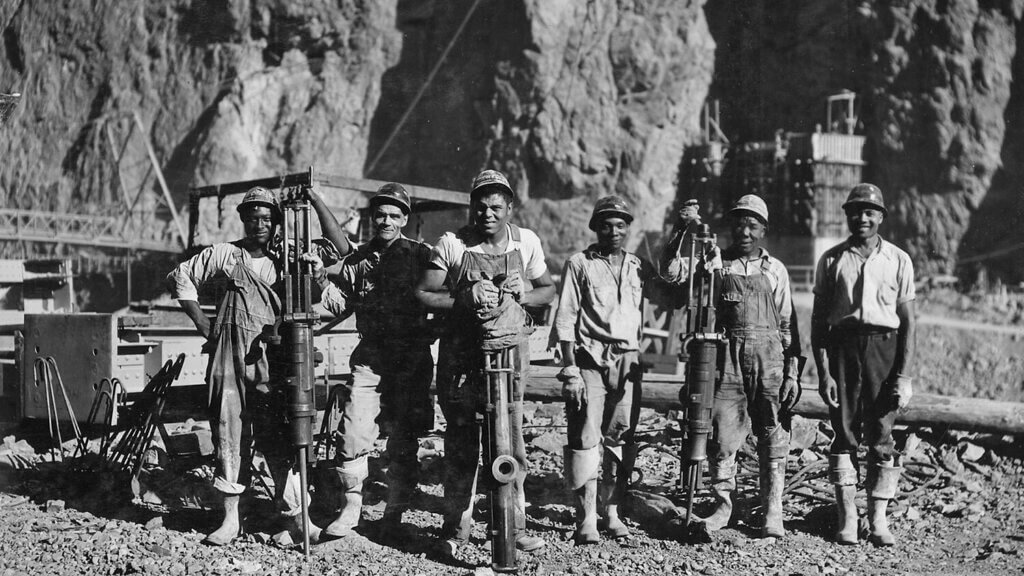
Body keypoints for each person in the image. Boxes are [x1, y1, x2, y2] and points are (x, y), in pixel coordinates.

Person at [167, 185, 347, 547]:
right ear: (243, 220)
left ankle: (299, 519)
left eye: (267, 217)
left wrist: (316, 280)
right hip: (229, 358)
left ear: (277, 221)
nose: (260, 224)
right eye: (253, 217)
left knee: (280, 434)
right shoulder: (225, 255)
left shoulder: (291, 259)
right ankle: (230, 519)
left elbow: (341, 266)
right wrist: (205, 325)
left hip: (275, 359)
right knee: (227, 430)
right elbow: (180, 278)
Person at [416, 169, 555, 556]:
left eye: (496, 206)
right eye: (481, 206)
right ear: (471, 207)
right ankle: (456, 525)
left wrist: (524, 292)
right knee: (462, 441)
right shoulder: (452, 245)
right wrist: (463, 296)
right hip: (461, 357)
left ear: (510, 207)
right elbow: (424, 293)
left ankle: (515, 524)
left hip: (510, 355)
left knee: (510, 439)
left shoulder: (525, 242)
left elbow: (548, 290)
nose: (488, 214)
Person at [301, 183, 434, 540]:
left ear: (405, 218)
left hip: (410, 360)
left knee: (404, 438)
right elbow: (337, 301)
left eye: (394, 215)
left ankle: (395, 511)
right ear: (372, 218)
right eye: (381, 215)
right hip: (371, 357)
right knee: (353, 430)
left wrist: (430, 334)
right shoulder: (360, 259)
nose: (386, 221)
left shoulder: (424, 256)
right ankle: (352, 507)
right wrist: (317, 280)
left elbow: (444, 294)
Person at [664, 195, 801, 538]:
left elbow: (788, 326)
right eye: (739, 223)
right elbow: (669, 271)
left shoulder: (775, 270)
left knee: (773, 432)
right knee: (722, 435)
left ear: (763, 230)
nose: (745, 230)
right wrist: (681, 228)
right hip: (726, 358)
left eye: (752, 225)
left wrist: (793, 372)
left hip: (769, 359)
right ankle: (724, 505)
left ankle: (773, 510)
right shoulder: (714, 263)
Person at [811, 183, 915, 547]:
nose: (862, 218)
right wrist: (823, 373)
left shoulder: (899, 260)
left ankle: (878, 519)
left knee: (882, 434)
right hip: (843, 350)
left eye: (870, 212)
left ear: (881, 217)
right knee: (844, 432)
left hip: (883, 352)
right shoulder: (831, 259)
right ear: (847, 215)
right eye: (855, 211)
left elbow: (909, 322)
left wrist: (903, 374)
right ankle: (847, 518)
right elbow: (818, 321)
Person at [552, 196, 659, 544]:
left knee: (620, 436)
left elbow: (668, 293)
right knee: (585, 439)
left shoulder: (638, 266)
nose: (614, 231)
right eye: (606, 224)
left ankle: (611, 512)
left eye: (620, 225)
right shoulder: (579, 263)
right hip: (590, 361)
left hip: (628, 361)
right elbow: (566, 317)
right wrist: (570, 369)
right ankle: (586, 518)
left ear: (628, 229)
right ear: (596, 228)